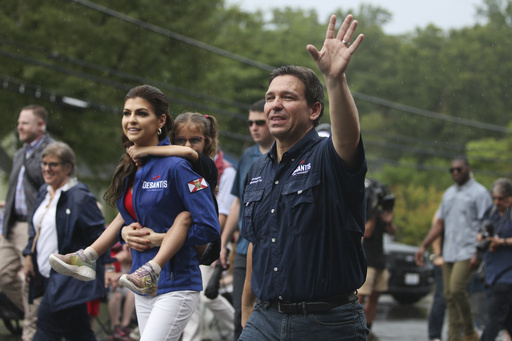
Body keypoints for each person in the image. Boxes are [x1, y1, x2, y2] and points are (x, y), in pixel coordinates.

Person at [53, 85, 221, 340]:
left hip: (176, 284)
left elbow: (208, 228)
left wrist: (156, 238)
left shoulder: (179, 166)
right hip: (139, 285)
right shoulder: (132, 166)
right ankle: (88, 256)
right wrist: (125, 233)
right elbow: (131, 219)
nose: (131, 120)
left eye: (141, 113)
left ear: (160, 121)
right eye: (126, 113)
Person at [239, 14, 368, 340]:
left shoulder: (329, 157)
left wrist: (335, 81)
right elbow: (258, 242)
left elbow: (348, 136)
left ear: (314, 110)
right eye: (270, 98)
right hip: (264, 319)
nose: (275, 105)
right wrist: (246, 307)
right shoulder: (257, 170)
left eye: (288, 97)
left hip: (328, 323)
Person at [22, 141, 107, 340]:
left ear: (68, 167)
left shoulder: (79, 197)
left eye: (53, 164)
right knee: (78, 332)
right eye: (44, 163)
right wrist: (28, 254)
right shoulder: (44, 192)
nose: (46, 169)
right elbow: (36, 229)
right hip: (46, 275)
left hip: (67, 277)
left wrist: (107, 268)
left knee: (44, 327)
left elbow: (98, 235)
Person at [415, 157, 492, 341]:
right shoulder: (449, 194)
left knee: (457, 289)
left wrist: (479, 253)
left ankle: (469, 331)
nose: (455, 173)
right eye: (452, 170)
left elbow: (487, 225)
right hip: (449, 250)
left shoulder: (480, 193)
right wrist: (424, 245)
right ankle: (454, 337)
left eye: (459, 169)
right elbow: (439, 224)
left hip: (468, 250)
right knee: (449, 296)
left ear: (468, 169)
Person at [218, 98, 275, 340]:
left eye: (260, 123)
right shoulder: (246, 157)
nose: (254, 127)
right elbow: (237, 203)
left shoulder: (286, 153)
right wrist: (222, 242)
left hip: (274, 248)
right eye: (251, 123)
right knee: (241, 314)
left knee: (271, 312)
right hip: (243, 248)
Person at [0, 104, 54, 341]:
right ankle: (39, 316)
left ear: (40, 125)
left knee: (31, 280)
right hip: (10, 223)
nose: (19, 127)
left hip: (32, 226)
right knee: (3, 272)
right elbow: (16, 188)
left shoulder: (50, 150)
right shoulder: (21, 152)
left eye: (25, 123)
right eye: (19, 122)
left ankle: (32, 331)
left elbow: (48, 186)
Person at [182, 147, 236, 341]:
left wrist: (212, 244)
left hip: (210, 243)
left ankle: (240, 328)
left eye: (195, 138)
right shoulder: (184, 166)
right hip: (186, 241)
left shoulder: (226, 171)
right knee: (189, 294)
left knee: (206, 295)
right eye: (182, 139)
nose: (188, 144)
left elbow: (223, 214)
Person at [358, 179, 397, 341]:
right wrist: (372, 210)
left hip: (380, 260)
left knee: (375, 297)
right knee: (361, 297)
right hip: (367, 261)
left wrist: (388, 219)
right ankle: (356, 328)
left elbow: (393, 232)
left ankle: (368, 329)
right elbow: (367, 233)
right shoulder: (366, 212)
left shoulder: (381, 214)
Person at [474, 178, 512, 341]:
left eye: (501, 198)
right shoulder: (491, 212)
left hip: (508, 274)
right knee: (508, 319)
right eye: (495, 198)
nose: (497, 202)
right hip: (492, 273)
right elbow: (480, 231)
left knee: (495, 318)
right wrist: (483, 238)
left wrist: (502, 242)